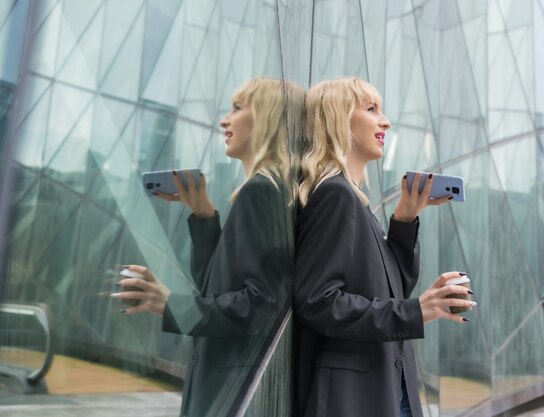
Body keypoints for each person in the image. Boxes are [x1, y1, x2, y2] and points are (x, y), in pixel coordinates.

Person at [112, 78, 306, 417]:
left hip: (234, 389)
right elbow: (216, 289)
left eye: (237, 108)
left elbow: (262, 305)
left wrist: (170, 305)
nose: (224, 120)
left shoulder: (261, 192)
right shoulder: (271, 190)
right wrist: (203, 213)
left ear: (267, 118)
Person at [294, 77, 475, 417]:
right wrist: (416, 310)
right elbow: (317, 302)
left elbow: (392, 289)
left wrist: (405, 218)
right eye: (372, 109)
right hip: (355, 399)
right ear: (338, 119)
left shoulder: (355, 202)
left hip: (387, 390)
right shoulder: (335, 195)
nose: (386, 121)